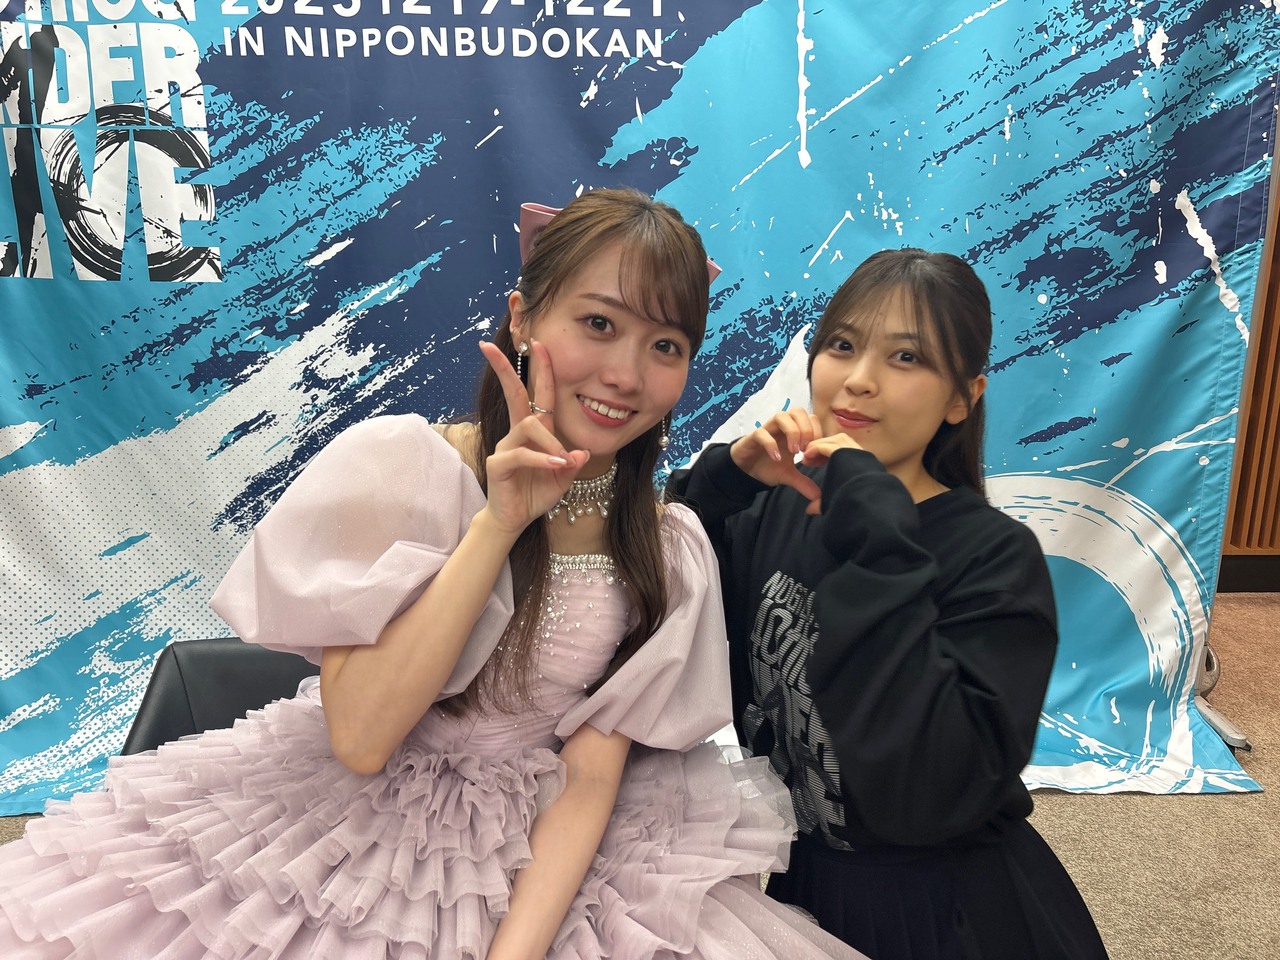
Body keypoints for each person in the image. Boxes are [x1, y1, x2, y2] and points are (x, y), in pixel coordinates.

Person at [0, 189, 865, 960]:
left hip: (549, 852)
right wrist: (499, 523)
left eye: (665, 344)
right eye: (599, 324)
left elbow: (592, 777)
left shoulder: (666, 547)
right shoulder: (405, 468)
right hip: (345, 833)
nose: (625, 375)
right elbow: (363, 737)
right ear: (523, 319)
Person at [666, 248, 1109, 960]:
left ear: (962, 397)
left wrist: (877, 536)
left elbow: (930, 793)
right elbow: (657, 591)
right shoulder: (778, 510)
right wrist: (727, 481)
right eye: (842, 345)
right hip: (804, 887)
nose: (859, 380)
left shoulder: (995, 557)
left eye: (907, 358)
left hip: (946, 911)